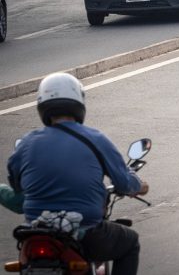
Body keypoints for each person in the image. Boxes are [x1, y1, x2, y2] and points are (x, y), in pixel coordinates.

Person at [6, 73, 148, 275]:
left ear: (42, 106)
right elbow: (124, 182)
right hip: (85, 232)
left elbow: (17, 185)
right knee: (130, 242)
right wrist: (140, 186)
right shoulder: (95, 139)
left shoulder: (27, 143)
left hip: (34, 234)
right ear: (79, 104)